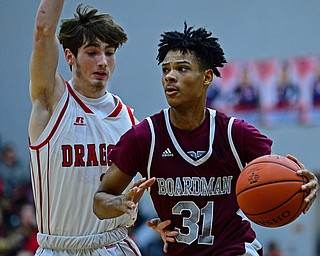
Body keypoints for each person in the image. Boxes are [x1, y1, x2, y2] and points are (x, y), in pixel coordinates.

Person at [93, 23, 319, 256]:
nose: (170, 76)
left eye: (182, 69)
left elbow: (279, 177)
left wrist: (305, 185)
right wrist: (121, 204)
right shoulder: (144, 137)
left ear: (207, 77)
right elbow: (100, 201)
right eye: (165, 69)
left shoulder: (235, 134)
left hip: (235, 249)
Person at [29, 1, 154, 255]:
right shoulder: (51, 101)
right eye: (92, 52)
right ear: (69, 56)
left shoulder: (129, 120)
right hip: (59, 248)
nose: (103, 62)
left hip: (115, 245)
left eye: (109, 52)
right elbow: (43, 31)